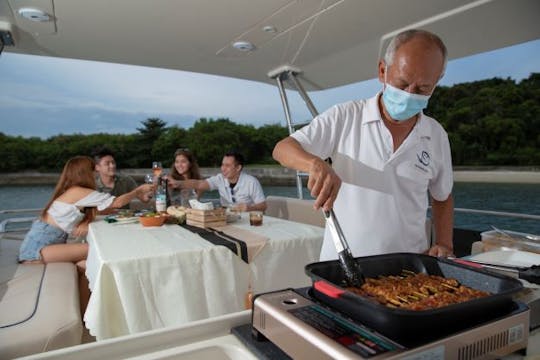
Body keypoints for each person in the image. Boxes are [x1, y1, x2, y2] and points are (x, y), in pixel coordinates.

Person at [272, 29, 454, 260]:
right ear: (382, 71)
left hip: (410, 270)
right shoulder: (345, 116)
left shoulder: (436, 135)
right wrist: (314, 164)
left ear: (437, 83)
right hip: (343, 265)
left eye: (422, 89)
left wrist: (444, 243)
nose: (409, 94)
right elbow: (283, 148)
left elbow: (443, 196)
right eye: (402, 83)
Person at [18, 156, 154, 314]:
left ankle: (87, 314)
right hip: (37, 251)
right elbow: (116, 203)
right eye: (92, 170)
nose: (96, 173)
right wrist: (137, 191)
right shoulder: (78, 191)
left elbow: (104, 208)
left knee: (84, 265)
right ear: (84, 172)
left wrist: (84, 222)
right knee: (98, 250)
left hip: (44, 246)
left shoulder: (71, 191)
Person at [169, 150, 267, 212]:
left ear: (238, 168)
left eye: (227, 166)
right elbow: (199, 184)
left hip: (249, 222)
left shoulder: (251, 182)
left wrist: (249, 208)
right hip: (227, 220)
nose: (223, 169)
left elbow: (263, 206)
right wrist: (178, 183)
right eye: (222, 165)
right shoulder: (219, 179)